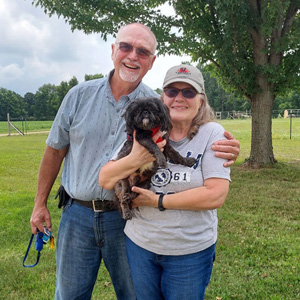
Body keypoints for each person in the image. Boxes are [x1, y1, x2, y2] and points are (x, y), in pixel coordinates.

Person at [30, 22, 239, 300]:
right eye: (126, 47)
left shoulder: (156, 105)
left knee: (132, 294)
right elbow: (54, 150)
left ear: (151, 62)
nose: (132, 56)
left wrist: (229, 147)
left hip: (126, 217)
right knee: (69, 294)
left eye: (142, 51)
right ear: (113, 50)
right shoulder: (78, 96)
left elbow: (191, 130)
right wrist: (39, 203)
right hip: (77, 214)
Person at [99, 64, 232, 300]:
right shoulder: (143, 132)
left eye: (188, 92)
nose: (179, 98)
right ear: (162, 99)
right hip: (140, 246)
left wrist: (157, 200)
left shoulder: (213, 134)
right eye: (172, 91)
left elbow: (215, 195)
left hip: (189, 251)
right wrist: (136, 158)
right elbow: (106, 178)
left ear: (200, 100)